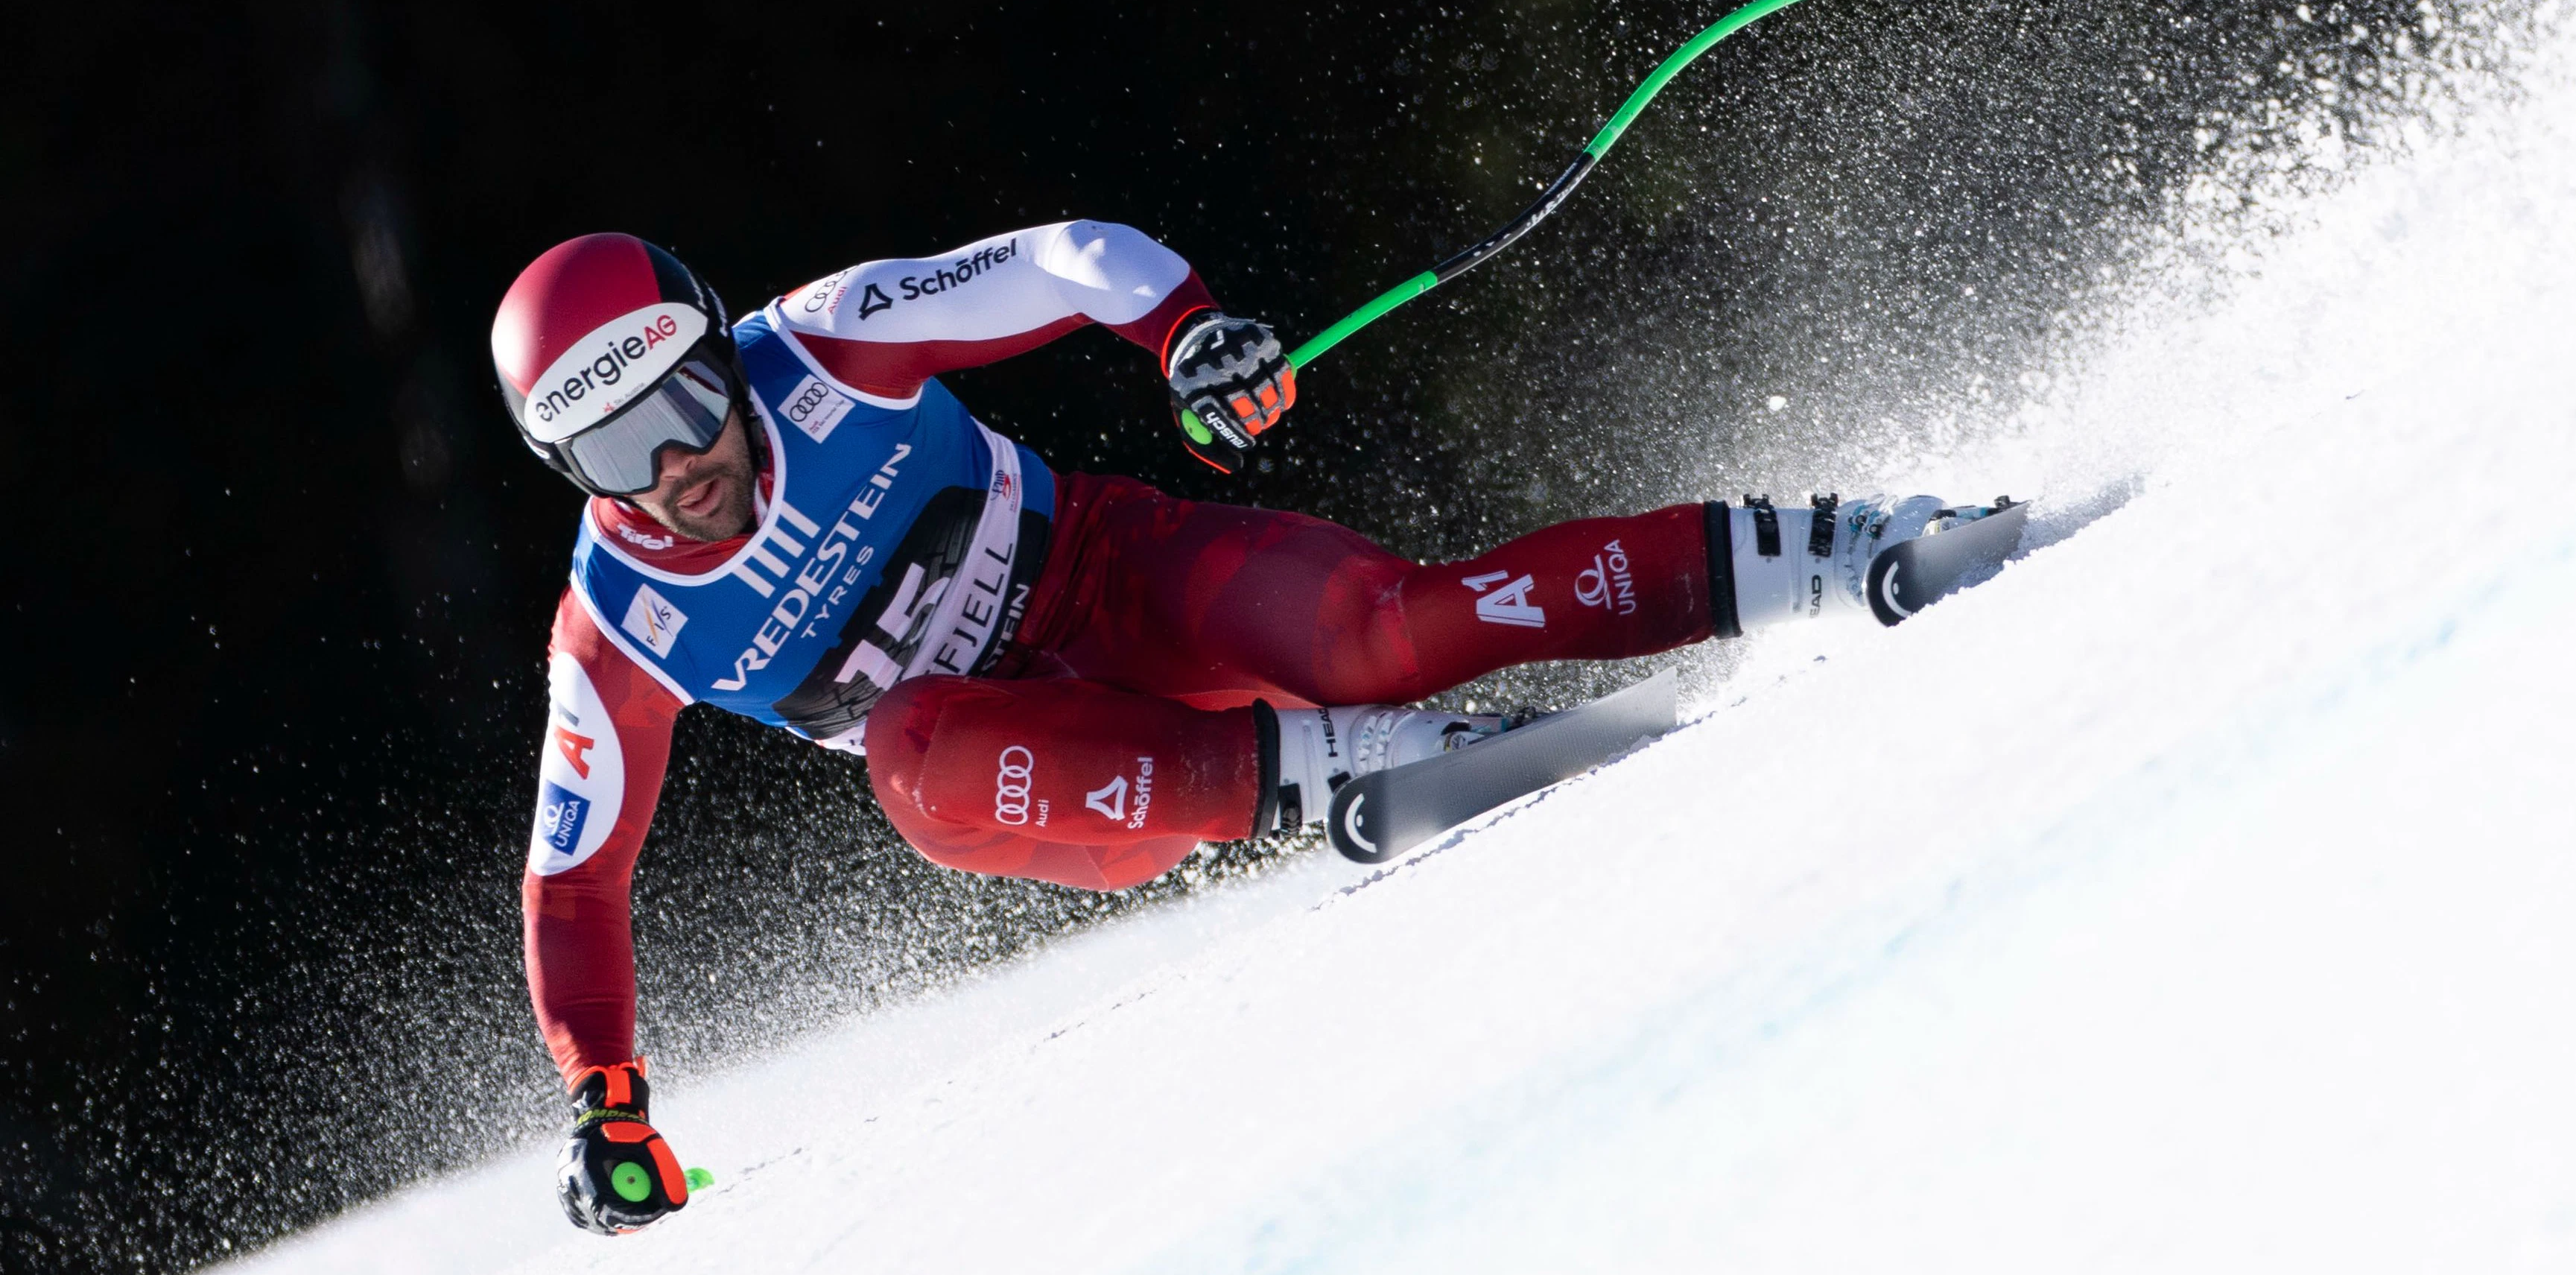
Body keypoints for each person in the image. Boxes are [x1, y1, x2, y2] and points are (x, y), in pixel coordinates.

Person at [492, 222, 1998, 1234]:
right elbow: (574, 883)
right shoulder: (617, 625)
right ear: (571, 468)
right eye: (621, 447)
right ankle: (1339, 781)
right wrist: (603, 1096)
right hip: (1074, 777)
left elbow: (1064, 258)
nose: (682, 458)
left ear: (712, 345)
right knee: (912, 762)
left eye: (687, 397)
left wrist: (1187, 337)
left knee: (1384, 634)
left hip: (1110, 573)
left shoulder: (818, 348)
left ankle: (1824, 549)